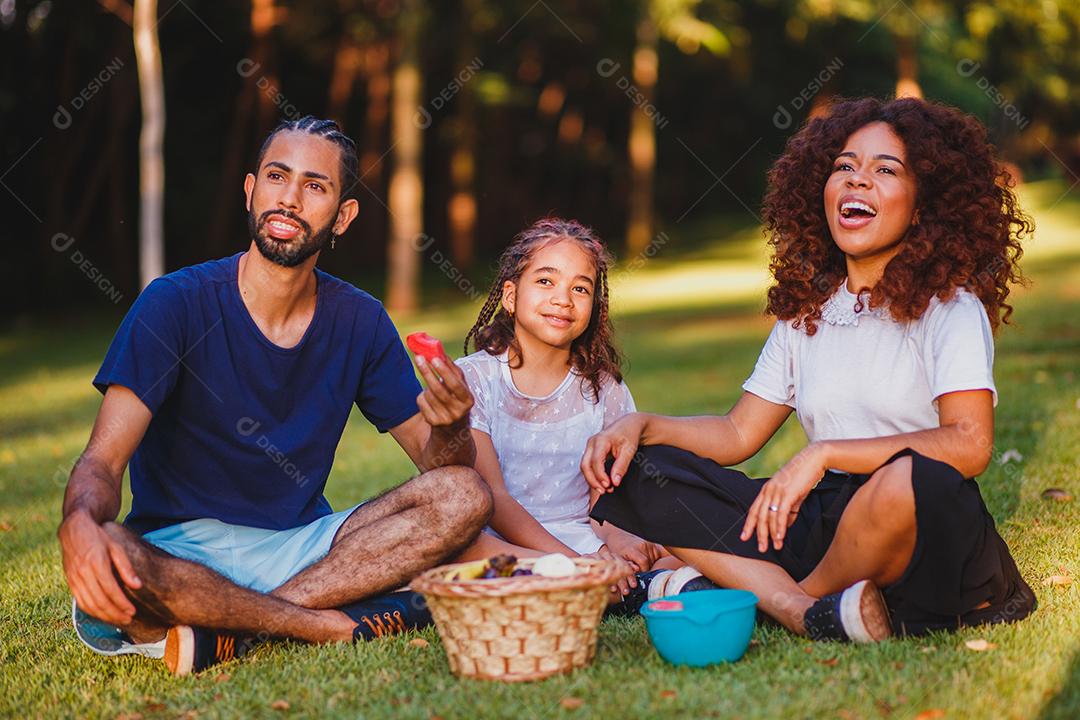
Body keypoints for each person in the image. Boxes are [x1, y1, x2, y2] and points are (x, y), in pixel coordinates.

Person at [585, 97, 1038, 641]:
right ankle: (804, 611)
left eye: (885, 170)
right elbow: (737, 433)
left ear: (922, 207)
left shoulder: (950, 307)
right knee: (645, 470)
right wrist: (644, 427)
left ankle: (785, 596)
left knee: (906, 481)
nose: (857, 181)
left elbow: (970, 445)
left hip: (915, 517)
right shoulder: (809, 314)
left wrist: (824, 453)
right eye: (844, 167)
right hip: (820, 521)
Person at [58, 116, 493, 676]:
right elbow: (102, 461)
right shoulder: (173, 303)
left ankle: (233, 631)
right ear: (250, 189)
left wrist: (454, 427)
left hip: (303, 548)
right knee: (117, 553)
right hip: (179, 552)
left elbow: (441, 472)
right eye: (276, 177)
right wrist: (77, 524)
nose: (289, 199)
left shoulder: (359, 318)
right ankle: (314, 619)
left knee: (464, 494)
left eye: (315, 186)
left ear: (343, 216)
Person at [455, 217, 714, 608]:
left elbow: (603, 498)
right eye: (546, 281)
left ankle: (637, 581)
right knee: (462, 551)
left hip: (581, 534)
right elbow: (495, 497)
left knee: (687, 541)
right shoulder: (474, 378)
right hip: (505, 542)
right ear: (510, 296)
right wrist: (575, 563)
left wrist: (617, 538)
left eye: (580, 288)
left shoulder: (603, 390)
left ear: (593, 307)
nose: (563, 298)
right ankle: (633, 586)